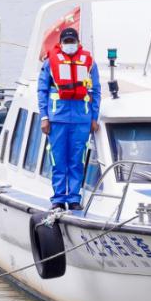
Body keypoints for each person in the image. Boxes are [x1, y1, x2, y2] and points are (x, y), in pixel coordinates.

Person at [38, 27, 101, 211]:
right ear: (61, 43)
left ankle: (74, 198)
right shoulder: (50, 63)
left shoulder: (89, 63)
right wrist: (44, 117)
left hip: (81, 120)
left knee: (77, 161)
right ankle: (58, 198)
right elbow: (42, 91)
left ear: (78, 42)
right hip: (57, 119)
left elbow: (96, 91)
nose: (69, 45)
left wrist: (94, 118)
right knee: (58, 160)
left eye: (72, 41)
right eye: (66, 42)